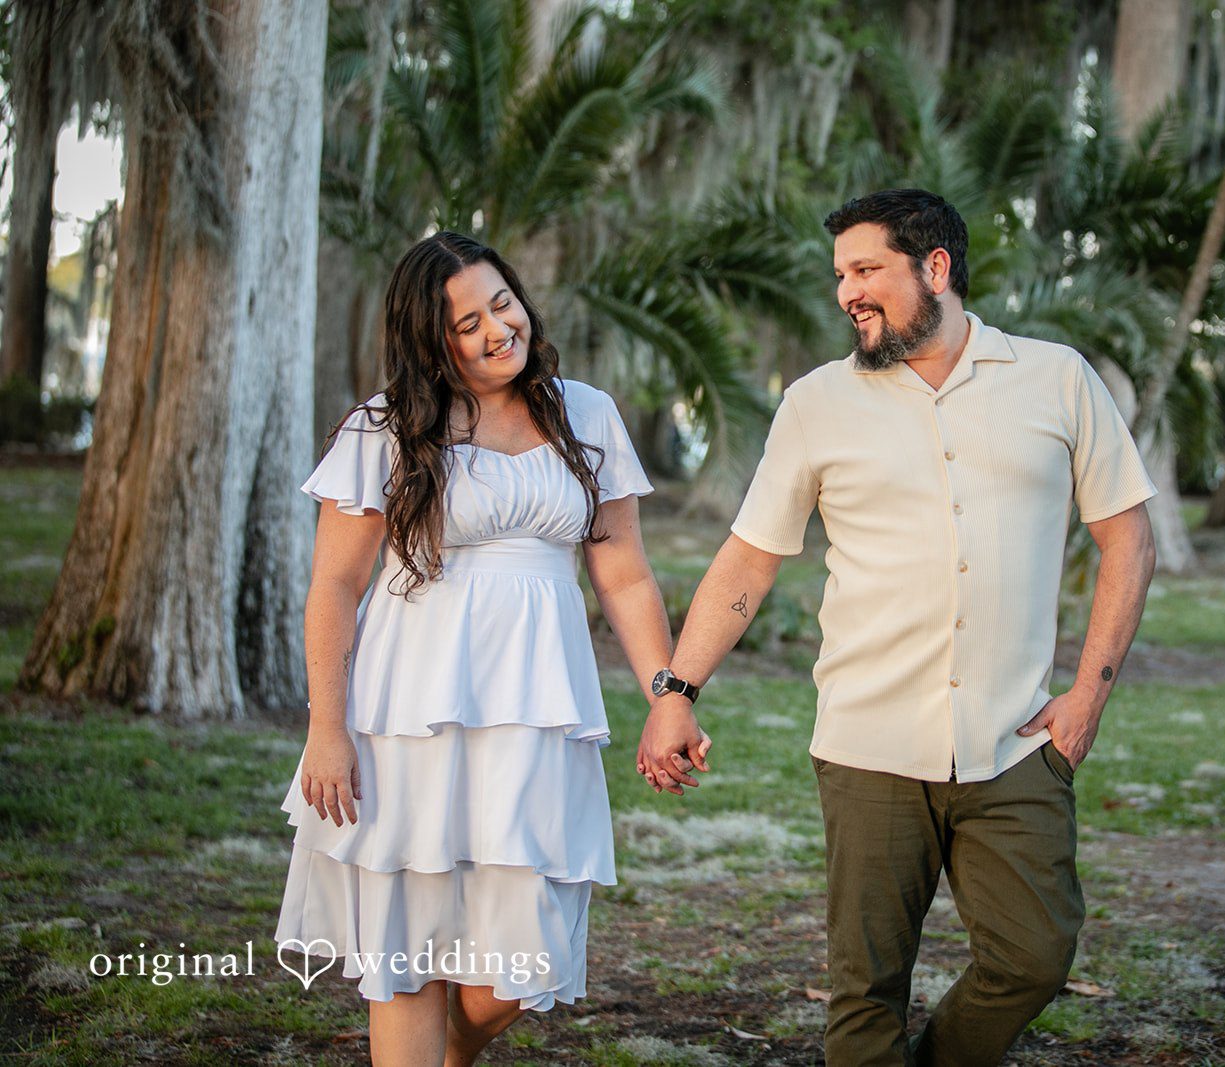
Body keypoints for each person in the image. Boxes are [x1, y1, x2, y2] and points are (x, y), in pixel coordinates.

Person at [638, 189, 1158, 1066]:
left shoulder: (1056, 378)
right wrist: (676, 691)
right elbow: (749, 559)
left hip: (1014, 738)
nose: (848, 291)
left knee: (1034, 954)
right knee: (866, 988)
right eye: (841, 274)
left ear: (937, 268)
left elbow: (1128, 535)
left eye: (868, 269)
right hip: (867, 744)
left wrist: (1088, 698)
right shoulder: (816, 403)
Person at [275, 231, 693, 1066]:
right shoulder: (385, 428)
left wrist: (668, 691)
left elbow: (625, 576)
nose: (497, 329)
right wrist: (328, 726)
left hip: (539, 711)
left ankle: (445, 1051)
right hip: (407, 712)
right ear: (432, 340)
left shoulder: (586, 413)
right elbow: (333, 587)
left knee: (523, 956)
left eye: (502, 303)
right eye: (467, 322)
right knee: (408, 953)